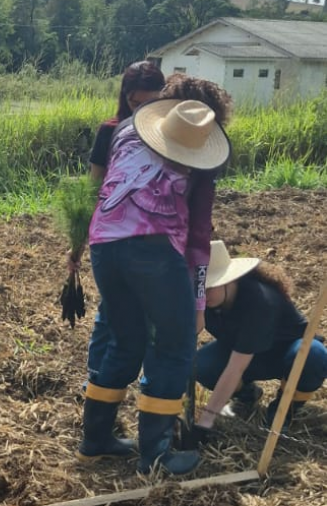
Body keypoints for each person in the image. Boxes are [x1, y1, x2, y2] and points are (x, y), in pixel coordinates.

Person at [76, 92, 231, 475]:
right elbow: (198, 238)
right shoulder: (200, 169)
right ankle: (156, 454)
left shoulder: (128, 132)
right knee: (175, 347)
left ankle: (94, 441)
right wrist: (196, 302)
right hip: (155, 252)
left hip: (105, 245)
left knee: (125, 340)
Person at [80, 61, 165, 384]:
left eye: (151, 102)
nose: (142, 110)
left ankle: (151, 385)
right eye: (135, 103)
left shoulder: (168, 134)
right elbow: (94, 185)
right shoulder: (111, 130)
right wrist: (81, 237)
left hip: (154, 234)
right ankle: (96, 379)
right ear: (125, 98)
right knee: (110, 311)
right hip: (115, 234)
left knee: (153, 314)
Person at [194, 241, 327, 437]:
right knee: (200, 365)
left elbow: (235, 368)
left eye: (209, 287)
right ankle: (247, 394)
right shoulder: (204, 302)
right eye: (199, 289)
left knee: (312, 355)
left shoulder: (260, 301)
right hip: (243, 352)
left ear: (229, 280)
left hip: (286, 354)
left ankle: (285, 409)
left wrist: (206, 420)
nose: (203, 296)